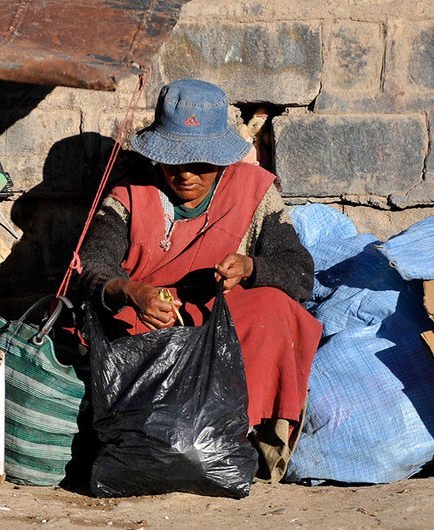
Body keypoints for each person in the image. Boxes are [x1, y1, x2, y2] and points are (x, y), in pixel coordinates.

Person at [77, 78, 322, 480]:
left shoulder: (255, 191)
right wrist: (131, 291)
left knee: (273, 308)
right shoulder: (129, 194)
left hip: (218, 325)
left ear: (222, 159)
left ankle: (234, 434)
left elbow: (298, 270)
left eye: (201, 163)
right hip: (147, 322)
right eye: (174, 161)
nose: (186, 175)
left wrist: (250, 268)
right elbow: (91, 263)